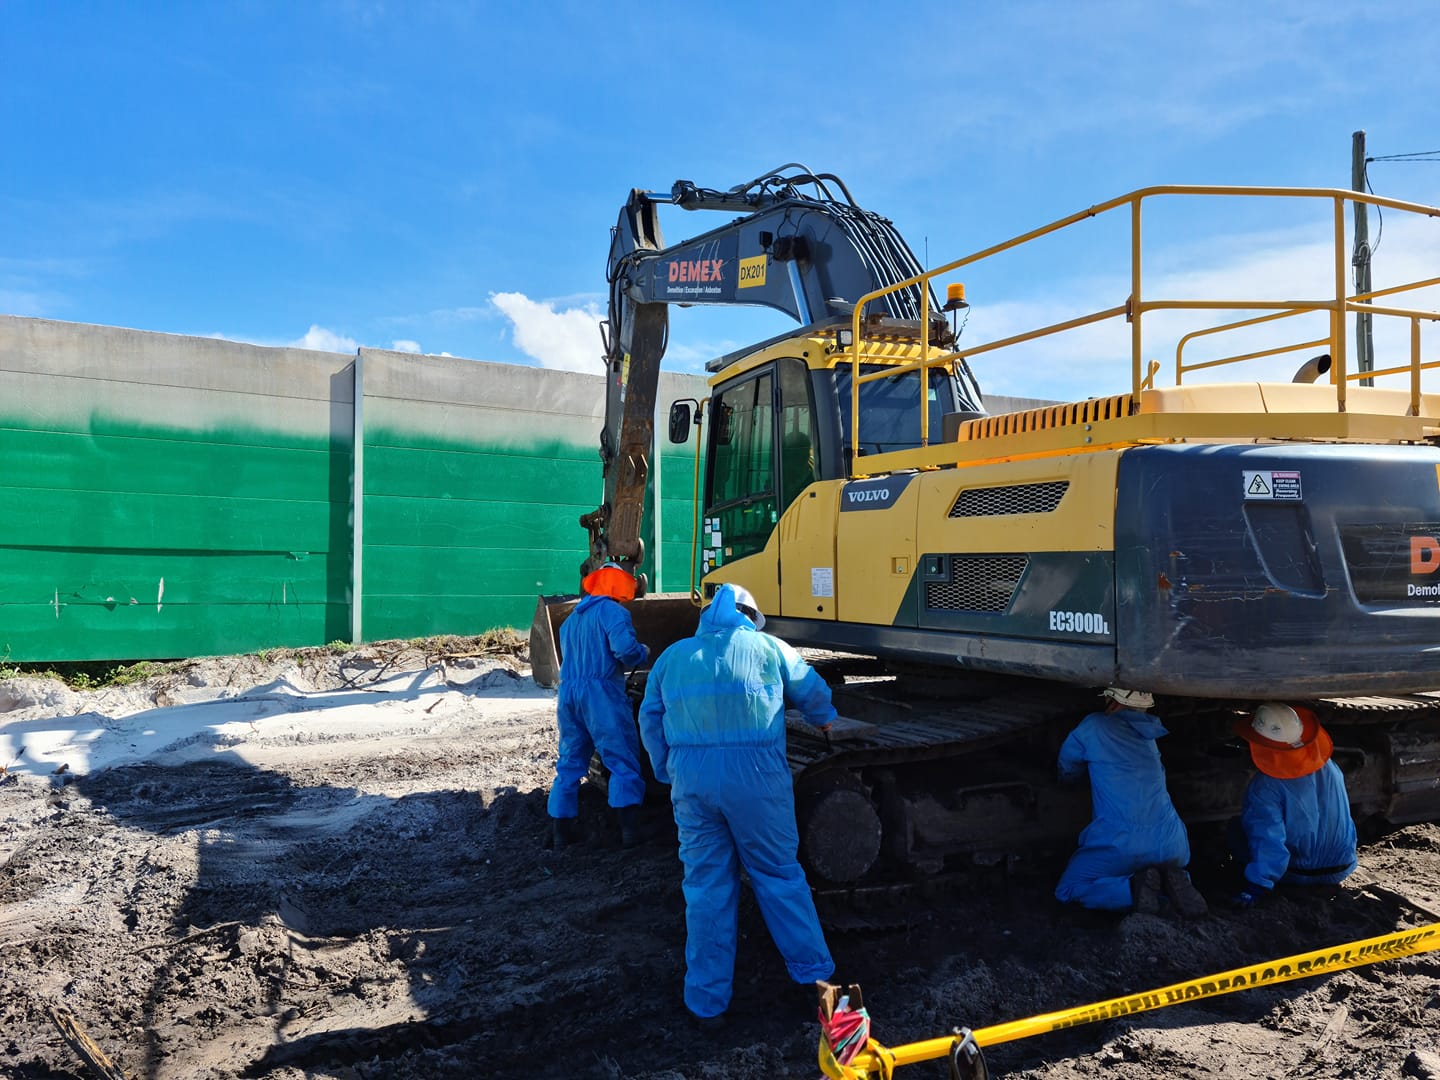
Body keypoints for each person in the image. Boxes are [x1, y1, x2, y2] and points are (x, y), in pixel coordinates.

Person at [638, 582, 836, 1026]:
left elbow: (649, 717)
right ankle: (815, 983)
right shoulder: (770, 647)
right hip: (757, 784)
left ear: (706, 616)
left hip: (692, 785)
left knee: (706, 887)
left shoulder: (673, 657)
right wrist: (825, 721)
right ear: (749, 615)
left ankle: (706, 1005)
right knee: (778, 876)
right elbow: (811, 689)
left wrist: (666, 769)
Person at [1055, 687, 1209, 917]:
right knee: (1158, 866)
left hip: (1121, 843)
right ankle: (1172, 881)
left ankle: (1132, 889)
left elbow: (1067, 765)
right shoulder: (1150, 737)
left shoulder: (1094, 725)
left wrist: (1067, 782)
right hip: (1172, 843)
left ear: (1112, 702)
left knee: (1068, 889)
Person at [547, 561, 649, 849]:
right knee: (621, 760)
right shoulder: (613, 612)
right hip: (600, 695)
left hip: (569, 695)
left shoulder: (570, 622)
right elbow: (626, 651)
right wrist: (642, 652)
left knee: (569, 763)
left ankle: (560, 832)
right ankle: (630, 832)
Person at [1230, 702, 1357, 908]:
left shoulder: (1265, 786)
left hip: (1298, 874)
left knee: (1236, 828)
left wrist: (1256, 887)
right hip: (1341, 867)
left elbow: (1268, 837)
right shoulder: (1330, 767)